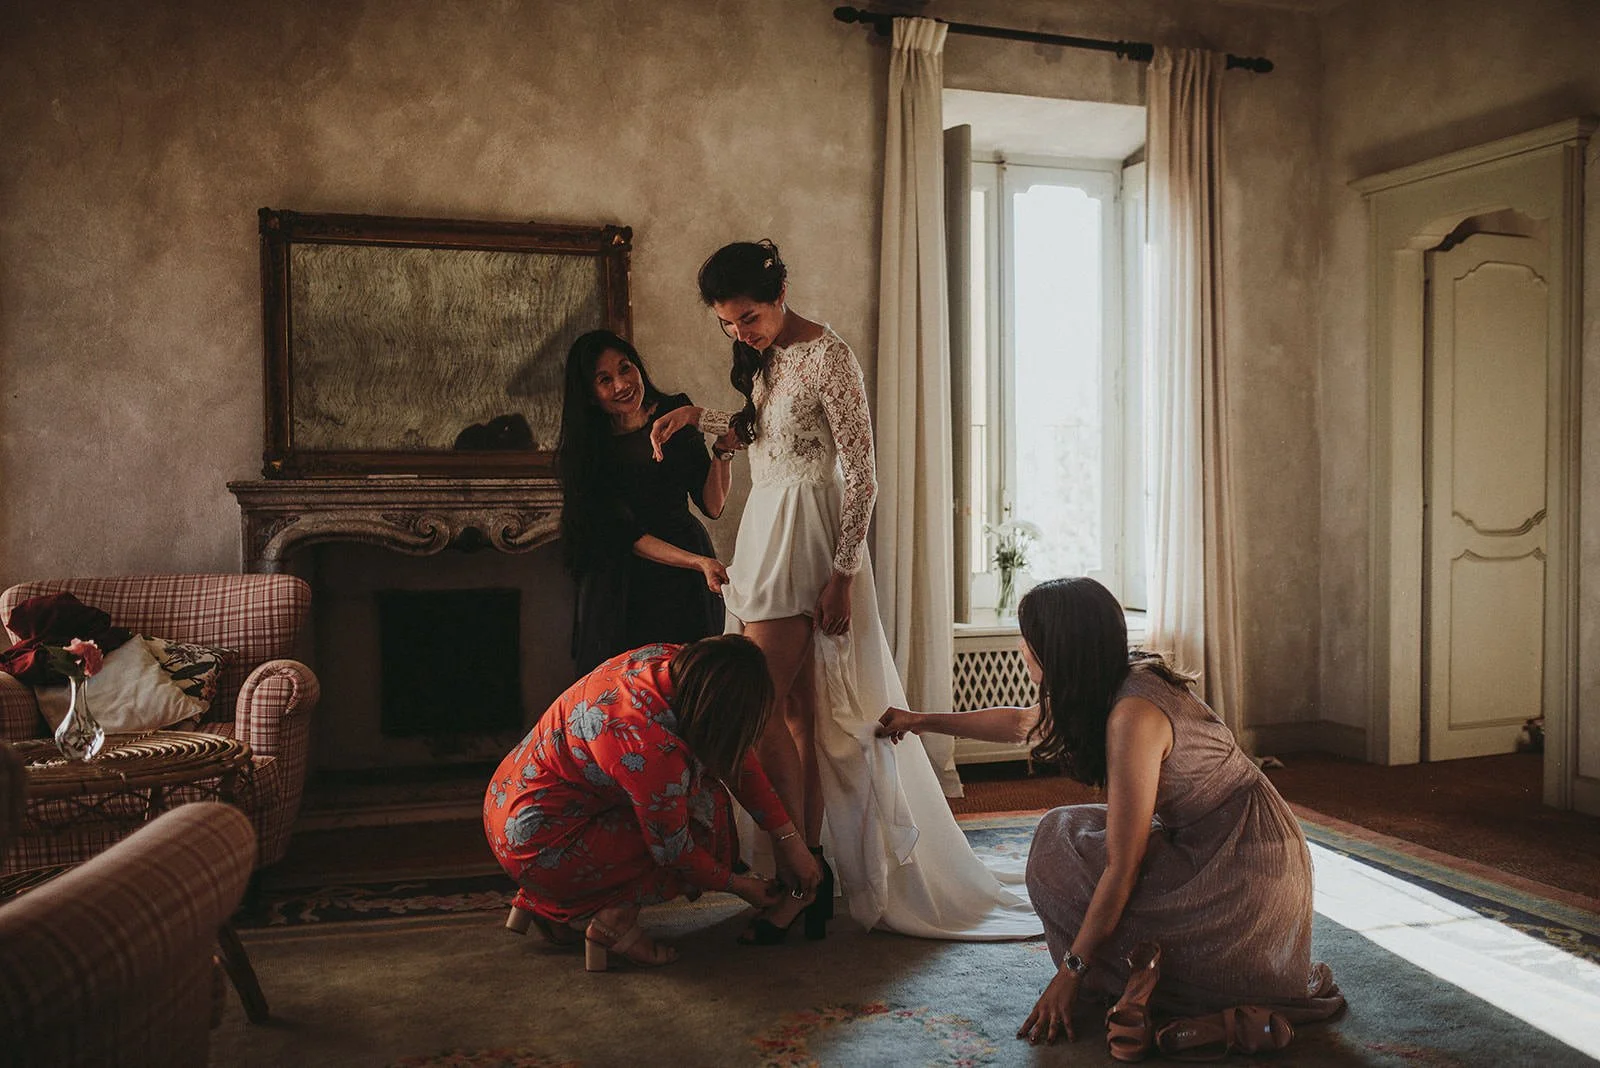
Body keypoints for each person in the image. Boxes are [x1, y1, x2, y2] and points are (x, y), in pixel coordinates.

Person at [649, 240, 1038, 942]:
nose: (742, 333)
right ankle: (809, 874)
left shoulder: (830, 354)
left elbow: (862, 475)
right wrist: (700, 419)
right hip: (765, 525)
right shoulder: (766, 359)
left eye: (750, 318)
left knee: (763, 706)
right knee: (797, 712)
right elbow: (767, 434)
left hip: (808, 535)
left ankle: (800, 872)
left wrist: (843, 573)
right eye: (728, 325)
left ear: (779, 292)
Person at [876, 577, 1346, 1054]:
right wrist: (920, 721)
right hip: (1220, 840)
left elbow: (1123, 867)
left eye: (1029, 639)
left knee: (1066, 854)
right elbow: (1022, 721)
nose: (1022, 648)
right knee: (1064, 831)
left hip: (1244, 869)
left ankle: (1161, 987)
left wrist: (1069, 974)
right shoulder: (1116, 678)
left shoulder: (1133, 715)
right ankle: (1176, 998)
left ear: (1058, 649)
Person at [486, 636, 820, 971]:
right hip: (540, 847)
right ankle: (612, 922)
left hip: (509, 801)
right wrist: (740, 886)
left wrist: (789, 840)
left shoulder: (669, 661)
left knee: (689, 802)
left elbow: (736, 757)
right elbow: (676, 852)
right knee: (705, 820)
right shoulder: (651, 751)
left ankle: (558, 900)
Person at [556, 329, 733, 673]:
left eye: (625, 368)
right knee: (630, 692)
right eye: (605, 379)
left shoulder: (674, 413)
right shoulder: (588, 451)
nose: (622, 384)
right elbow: (627, 536)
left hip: (686, 574)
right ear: (590, 395)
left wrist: (723, 451)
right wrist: (697, 562)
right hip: (624, 582)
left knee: (691, 682)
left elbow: (712, 505)